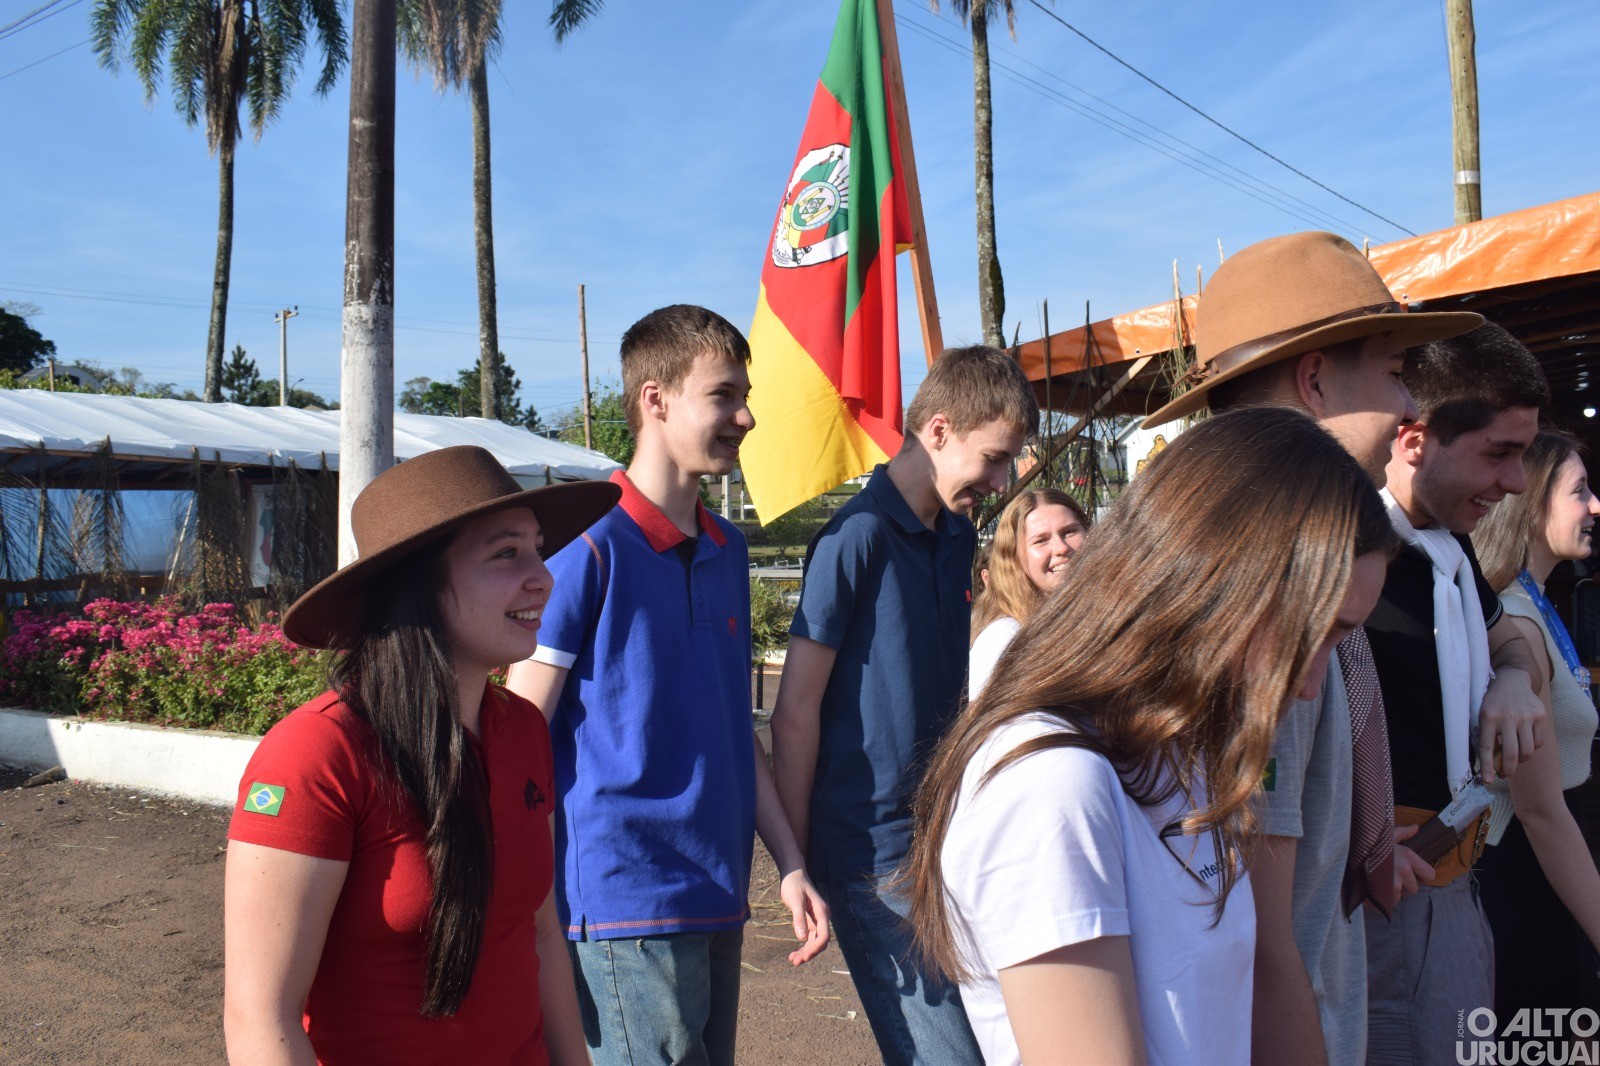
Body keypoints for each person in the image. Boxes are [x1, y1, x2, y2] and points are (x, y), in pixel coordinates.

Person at [904, 406, 1399, 1066]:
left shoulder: (1176, 753)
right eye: (1318, 633)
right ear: (1217, 581)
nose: (1311, 685)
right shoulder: (1054, 783)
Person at [1142, 230, 1483, 1066]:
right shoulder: (1270, 595)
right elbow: (1265, 933)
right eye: (1396, 373)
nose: (1410, 409)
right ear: (1317, 377)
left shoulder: (1260, 561)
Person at [505, 305, 828, 1066]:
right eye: (724, 395)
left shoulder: (727, 548)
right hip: (621, 899)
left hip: (716, 894)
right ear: (656, 399)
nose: (745, 416)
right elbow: (517, 728)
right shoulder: (587, 549)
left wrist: (790, 862)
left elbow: (730, 725)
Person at [223, 445, 619, 1064]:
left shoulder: (520, 728)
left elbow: (539, 936)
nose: (544, 576)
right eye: (506, 552)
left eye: (539, 548)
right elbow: (259, 1019)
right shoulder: (318, 754)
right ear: (420, 586)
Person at [770, 344, 1039, 1065]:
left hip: (946, 837)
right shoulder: (854, 539)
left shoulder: (957, 536)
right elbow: (794, 711)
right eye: (993, 457)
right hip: (868, 853)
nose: (1001, 478)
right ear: (940, 431)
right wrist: (796, 862)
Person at [1364, 321, 1551, 1065]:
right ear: (1415, 441)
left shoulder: (1448, 542)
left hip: (1455, 890)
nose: (1514, 484)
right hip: (1386, 908)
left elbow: (1508, 636)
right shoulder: (1349, 557)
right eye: (1498, 454)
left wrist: (1512, 681)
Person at [1471, 427, 1600, 1012]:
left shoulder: (1530, 608)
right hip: (1532, 878)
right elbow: (1541, 811)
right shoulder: (1519, 623)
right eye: (1580, 491)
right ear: (1532, 505)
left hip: (1548, 873)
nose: (1595, 505)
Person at [968, 488, 1089, 698]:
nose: (1061, 547)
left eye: (1069, 531)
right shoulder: (1004, 639)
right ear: (1014, 557)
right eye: (1041, 540)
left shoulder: (1109, 615)